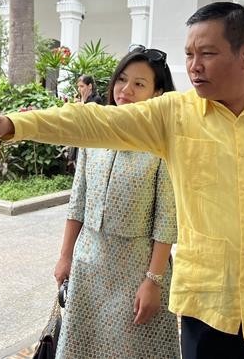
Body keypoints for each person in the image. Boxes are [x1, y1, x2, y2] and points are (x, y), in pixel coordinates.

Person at [0, 1, 244, 357]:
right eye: (189, 55)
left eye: (208, 54)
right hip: (207, 304)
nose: (195, 66)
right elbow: (94, 121)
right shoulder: (175, 115)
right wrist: (12, 124)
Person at [54, 47, 180, 358]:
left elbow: (166, 221)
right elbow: (78, 201)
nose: (126, 90)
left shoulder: (163, 146)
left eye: (139, 84)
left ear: (157, 93)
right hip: (88, 266)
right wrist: (65, 256)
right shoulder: (94, 133)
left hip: (136, 271)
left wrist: (153, 282)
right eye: (122, 79)